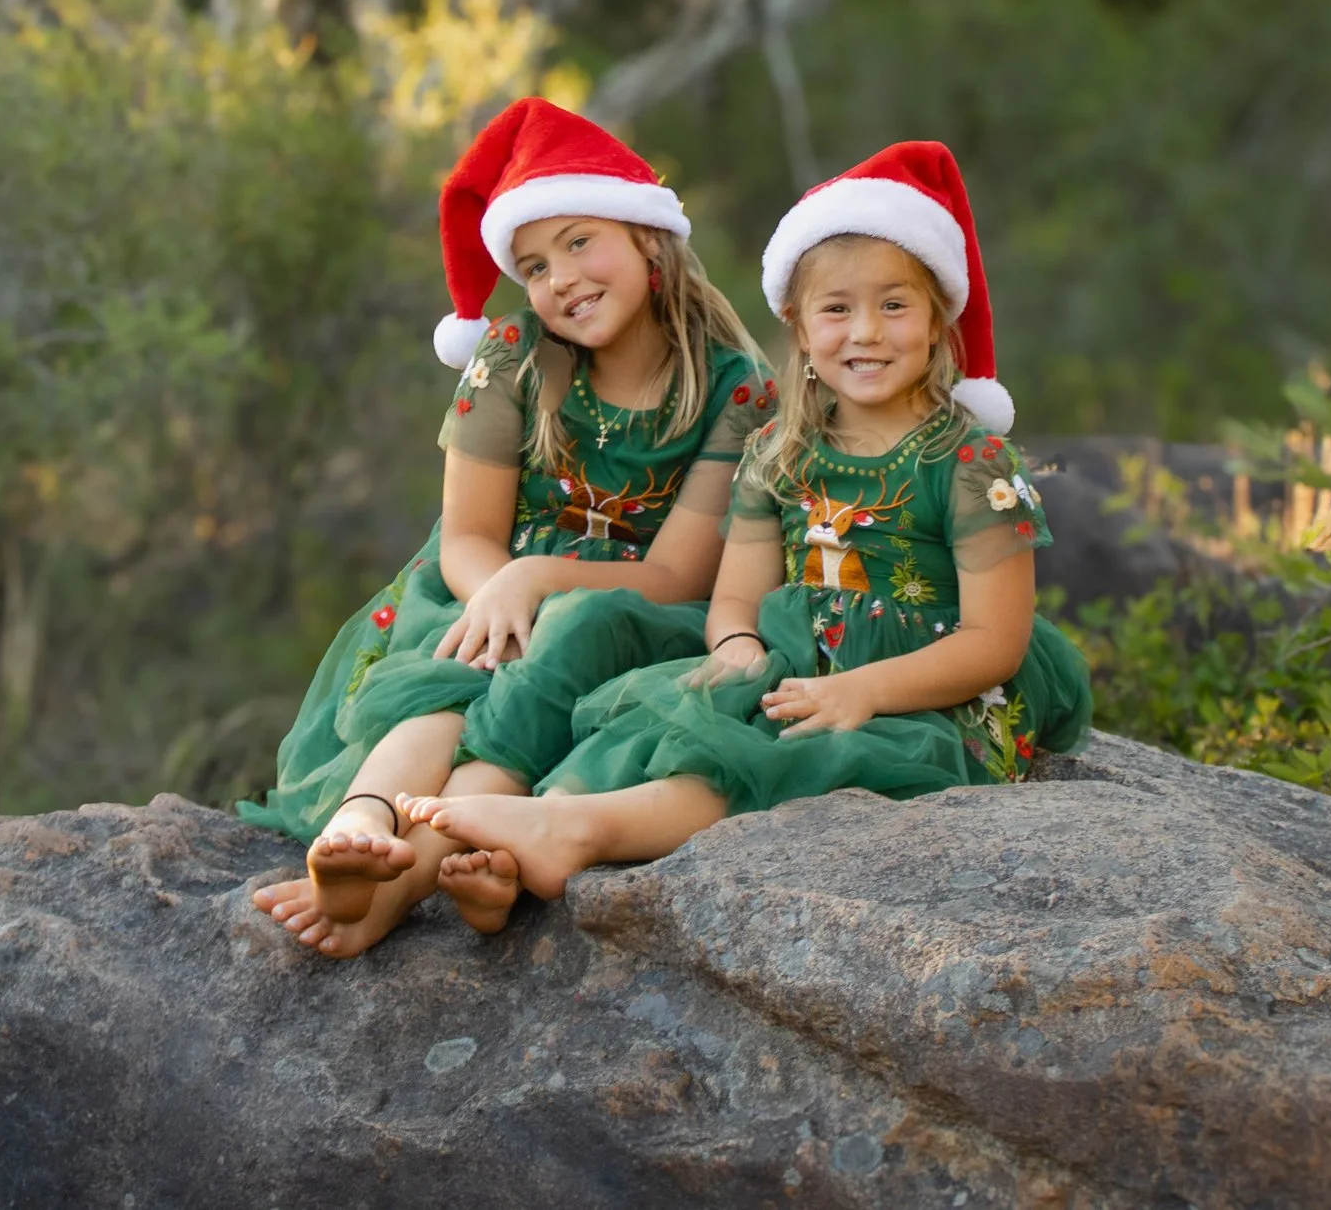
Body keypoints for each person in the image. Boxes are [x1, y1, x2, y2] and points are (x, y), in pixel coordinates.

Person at [400, 140, 1093, 923]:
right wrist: (734, 644)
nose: (865, 331)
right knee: (677, 718)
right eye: (837, 309)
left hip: (932, 690)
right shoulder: (779, 455)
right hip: (806, 661)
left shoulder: (970, 462)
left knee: (810, 757)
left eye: (894, 305)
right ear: (798, 324)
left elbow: (994, 640)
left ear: (938, 320)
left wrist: (865, 690)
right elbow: (734, 598)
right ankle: (520, 846)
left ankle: (575, 829)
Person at [239, 96, 768, 955]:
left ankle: (392, 891)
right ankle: (359, 826)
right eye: (533, 263)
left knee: (555, 651)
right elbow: (467, 538)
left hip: (631, 614)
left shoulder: (734, 389)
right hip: (483, 590)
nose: (560, 277)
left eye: (578, 242)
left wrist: (541, 583)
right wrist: (508, 591)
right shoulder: (514, 355)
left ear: (647, 239)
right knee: (463, 678)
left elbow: (677, 578)